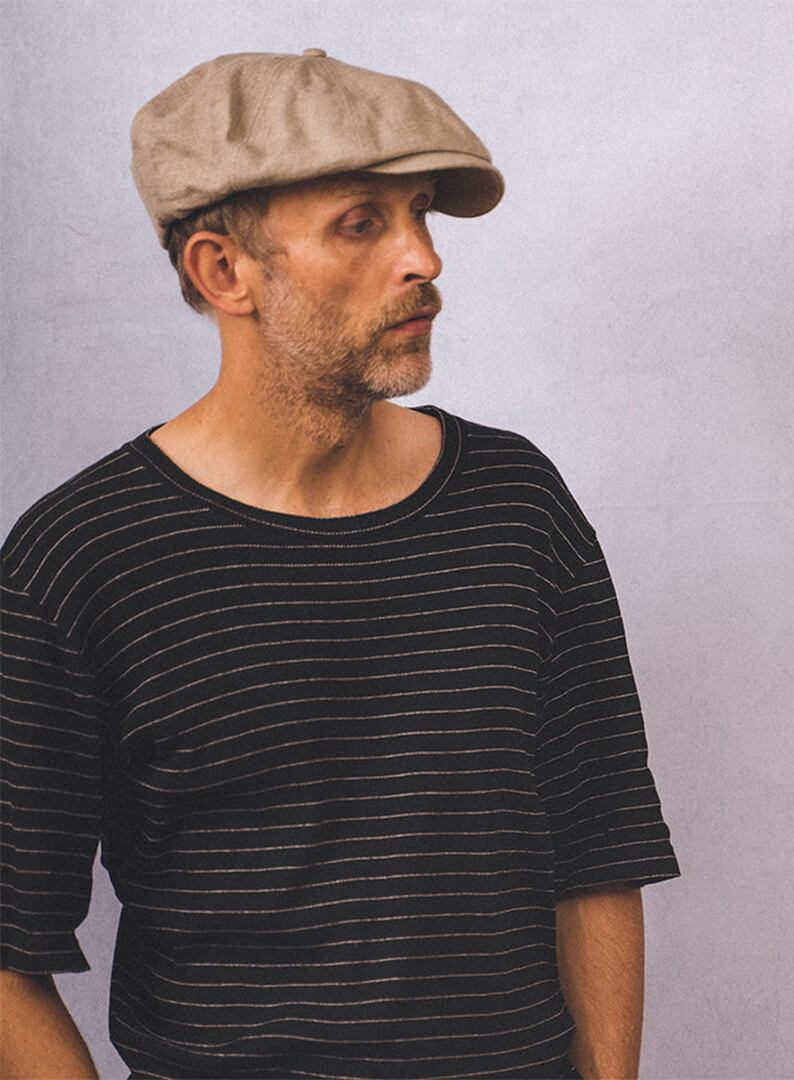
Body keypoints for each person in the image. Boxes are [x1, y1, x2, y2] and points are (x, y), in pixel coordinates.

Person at [0, 49, 681, 1080]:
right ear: (224, 272)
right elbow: (9, 948)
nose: (424, 260)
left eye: (421, 215)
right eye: (362, 224)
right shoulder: (83, 559)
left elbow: (600, 845)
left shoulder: (516, 505)